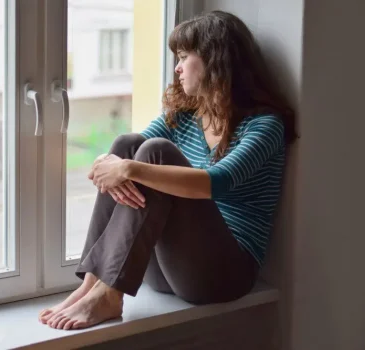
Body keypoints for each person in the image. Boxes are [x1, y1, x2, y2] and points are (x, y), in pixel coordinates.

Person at [38, 10, 296, 330]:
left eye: (185, 56)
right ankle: (94, 284)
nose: (177, 67)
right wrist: (111, 163)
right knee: (128, 143)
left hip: (223, 274)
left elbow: (216, 182)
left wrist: (128, 168)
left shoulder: (264, 125)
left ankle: (109, 294)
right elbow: (127, 155)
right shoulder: (184, 116)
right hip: (166, 270)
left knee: (152, 154)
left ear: (216, 60)